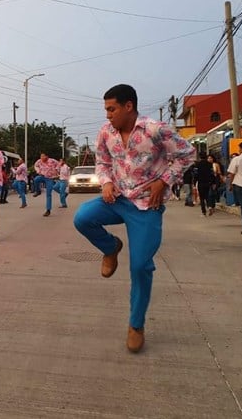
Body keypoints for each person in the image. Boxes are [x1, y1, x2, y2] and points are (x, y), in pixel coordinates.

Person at [73, 84, 195, 353]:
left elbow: (187, 154)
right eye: (106, 109)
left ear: (129, 106)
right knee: (82, 217)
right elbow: (102, 163)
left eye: (111, 109)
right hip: (116, 199)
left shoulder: (155, 129)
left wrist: (164, 181)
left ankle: (136, 324)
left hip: (145, 207)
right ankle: (111, 247)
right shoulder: (106, 133)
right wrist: (105, 183)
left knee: (140, 267)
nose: (108, 115)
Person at [33, 152, 59, 217]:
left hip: (49, 178)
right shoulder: (39, 161)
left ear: (47, 156)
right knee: (36, 179)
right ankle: (38, 191)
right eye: (41, 156)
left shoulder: (52, 161)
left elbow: (59, 164)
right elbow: (35, 166)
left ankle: (48, 210)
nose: (41, 158)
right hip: (42, 176)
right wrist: (38, 171)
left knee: (48, 194)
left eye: (43, 156)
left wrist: (56, 170)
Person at [193, 151, 216, 216]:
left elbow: (195, 174)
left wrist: (194, 183)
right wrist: (213, 182)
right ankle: (209, 207)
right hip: (208, 182)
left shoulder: (197, 164)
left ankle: (203, 212)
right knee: (207, 196)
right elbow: (212, 174)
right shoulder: (209, 164)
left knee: (202, 197)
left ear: (199, 156)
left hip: (200, 182)